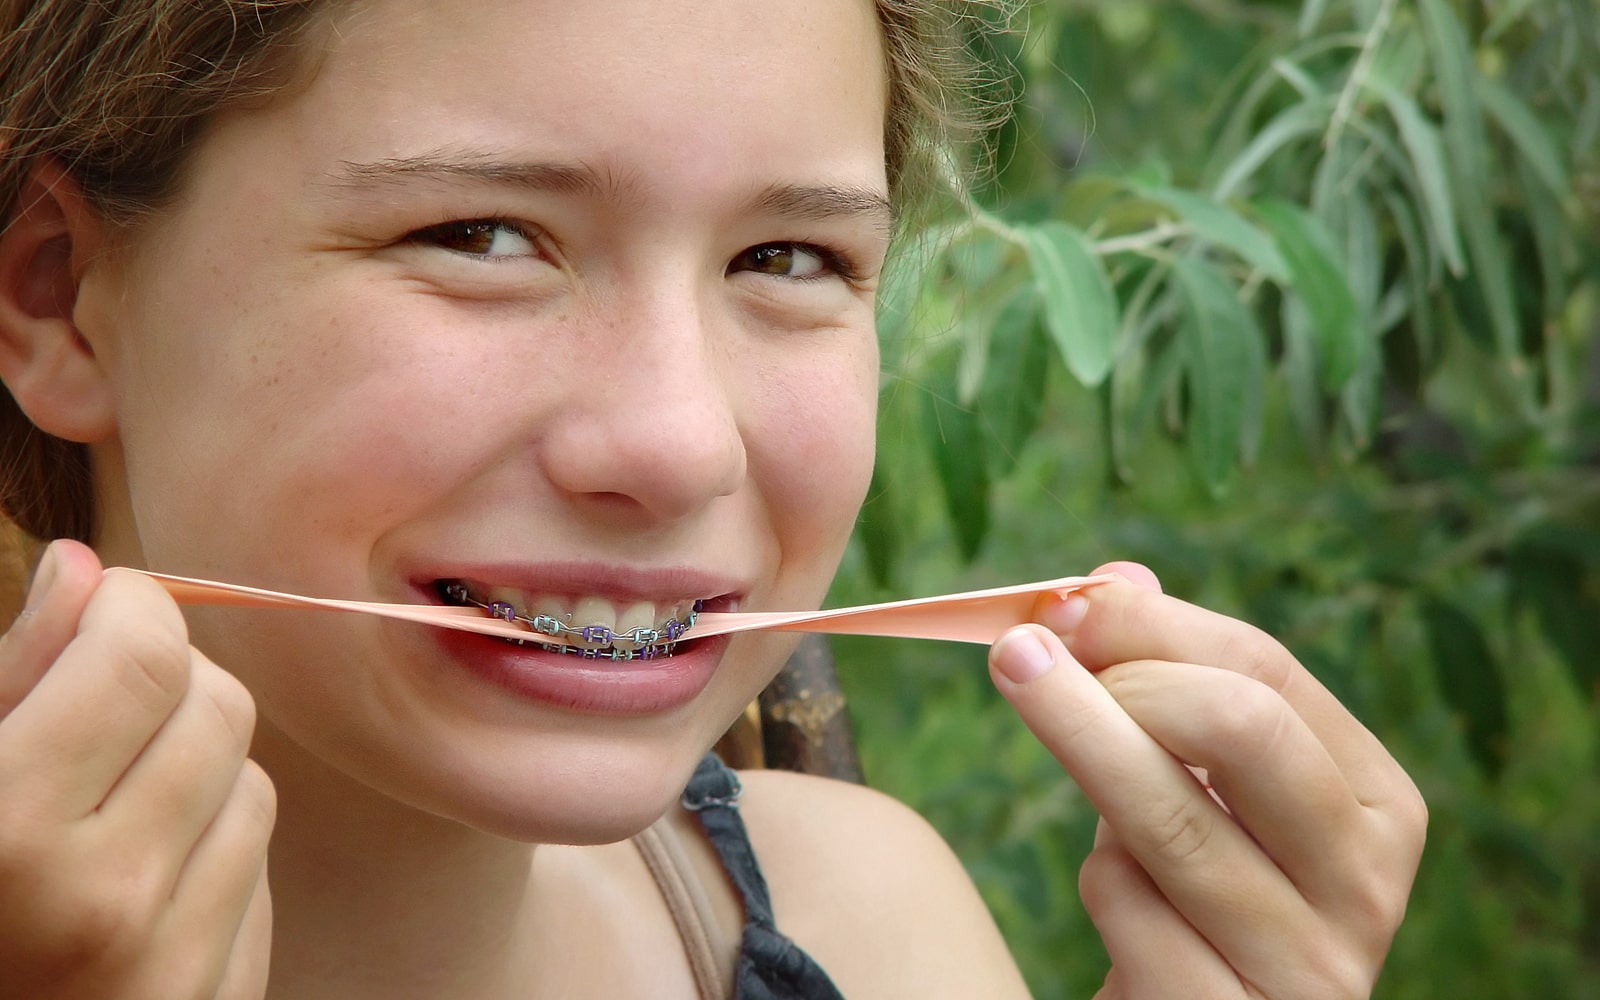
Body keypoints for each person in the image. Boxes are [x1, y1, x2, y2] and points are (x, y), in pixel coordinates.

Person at [0, 1, 1427, 997]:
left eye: (789, 259)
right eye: (485, 237)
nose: (683, 445)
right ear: (59, 302)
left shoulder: (876, 932)